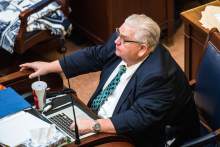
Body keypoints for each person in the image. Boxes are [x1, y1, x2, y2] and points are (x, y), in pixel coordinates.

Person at [20, 14, 199, 146]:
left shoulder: (159, 77)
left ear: (143, 49)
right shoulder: (124, 44)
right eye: (118, 33)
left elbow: (138, 118)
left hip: (140, 137)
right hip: (96, 118)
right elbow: (94, 56)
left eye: (123, 39)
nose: (116, 41)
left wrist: (94, 126)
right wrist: (48, 66)